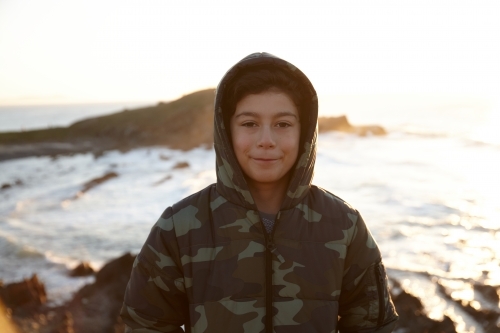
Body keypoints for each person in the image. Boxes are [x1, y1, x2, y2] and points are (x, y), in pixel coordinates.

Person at [120, 52, 398, 333]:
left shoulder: (343, 225)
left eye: (283, 124)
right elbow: (145, 324)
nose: (266, 140)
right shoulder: (179, 227)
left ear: (304, 132)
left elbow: (373, 326)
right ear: (227, 130)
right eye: (249, 124)